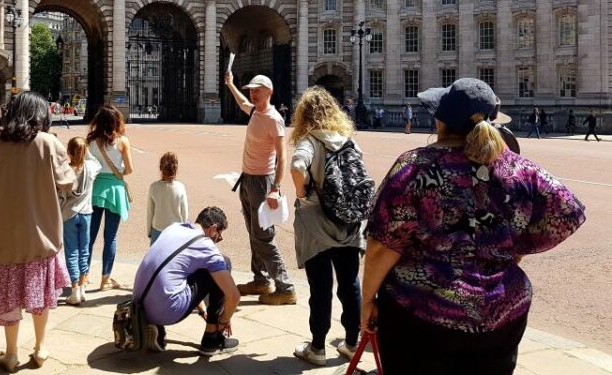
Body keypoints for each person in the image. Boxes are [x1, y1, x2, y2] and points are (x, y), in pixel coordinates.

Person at [361, 78, 586, 375]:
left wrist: (366, 300)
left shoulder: (416, 166)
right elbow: (568, 211)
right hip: (502, 310)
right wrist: (515, 248)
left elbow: (381, 247)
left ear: (441, 120)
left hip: (421, 313)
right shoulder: (518, 168)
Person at [0, 91, 76, 372]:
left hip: (6, 234)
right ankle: (40, 347)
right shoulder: (48, 142)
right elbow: (67, 182)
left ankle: (10, 353)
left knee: (11, 296)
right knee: (41, 295)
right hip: (41, 232)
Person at [289, 87, 366, 366]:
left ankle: (318, 348)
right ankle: (351, 343)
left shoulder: (310, 140)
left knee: (320, 288)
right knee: (350, 284)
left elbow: (297, 167)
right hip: (348, 222)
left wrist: (302, 194)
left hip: (317, 226)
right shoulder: (349, 141)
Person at [223, 71, 295, 305]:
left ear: (269, 92)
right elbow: (242, 102)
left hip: (263, 181)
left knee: (263, 236)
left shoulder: (274, 119)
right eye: (252, 90)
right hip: (247, 179)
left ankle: (285, 287)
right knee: (253, 232)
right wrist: (231, 84)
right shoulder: (255, 111)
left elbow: (283, 158)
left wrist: (275, 188)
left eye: (258, 90)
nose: (253, 93)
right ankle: (261, 280)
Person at [133, 207, 241, 356]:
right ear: (213, 229)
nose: (218, 240)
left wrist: (203, 310)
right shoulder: (206, 246)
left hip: (140, 306)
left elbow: (180, 274)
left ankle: (155, 326)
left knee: (192, 267)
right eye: (219, 236)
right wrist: (223, 321)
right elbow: (234, 296)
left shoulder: (174, 228)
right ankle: (212, 337)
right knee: (223, 262)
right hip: (168, 310)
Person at [87, 105, 134, 290]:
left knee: (89, 237)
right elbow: (129, 170)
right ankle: (105, 279)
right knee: (110, 237)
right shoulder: (122, 141)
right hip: (114, 189)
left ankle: (83, 275)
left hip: (95, 189)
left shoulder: (90, 141)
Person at [61, 136, 101, 306]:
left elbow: (60, 195)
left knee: (71, 252)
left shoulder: (65, 171)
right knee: (84, 249)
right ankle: (83, 287)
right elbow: (97, 162)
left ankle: (75, 289)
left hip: (69, 214)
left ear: (69, 152)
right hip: (86, 212)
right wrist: (87, 152)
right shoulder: (91, 168)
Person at [147, 152, 189, 245]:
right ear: (176, 168)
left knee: (156, 258)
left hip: (157, 229)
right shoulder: (180, 187)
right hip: (176, 231)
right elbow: (184, 214)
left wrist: (149, 231)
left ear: (160, 168)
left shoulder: (154, 187)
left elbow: (150, 212)